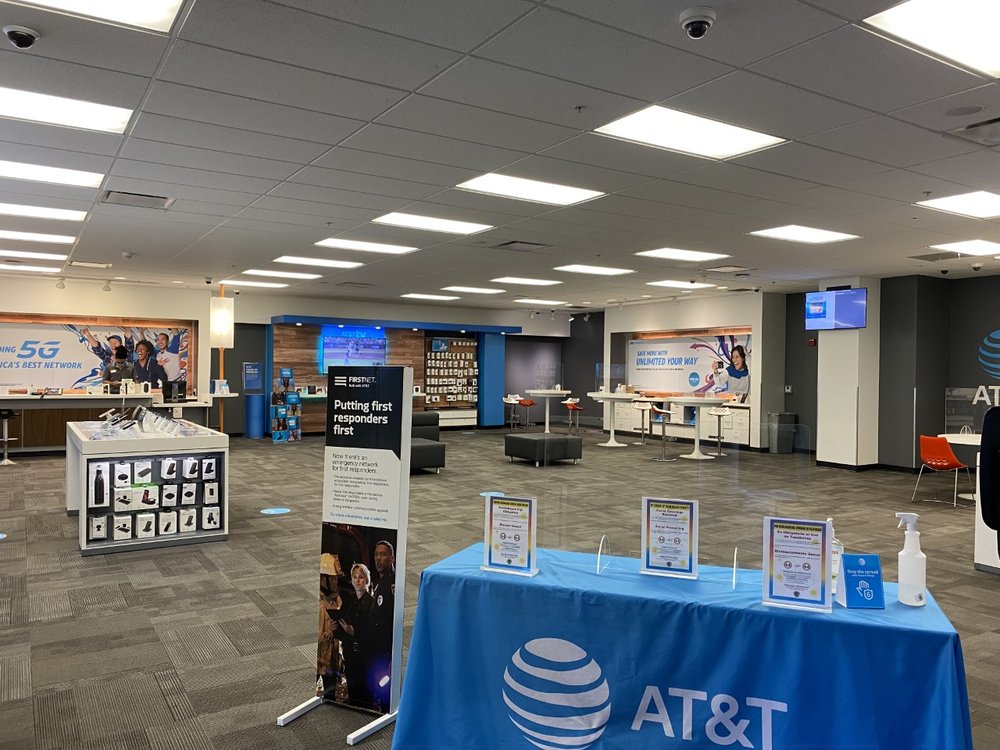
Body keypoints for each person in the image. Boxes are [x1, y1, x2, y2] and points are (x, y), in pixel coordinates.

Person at [335, 563, 375, 709]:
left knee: (364, 685)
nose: (357, 580)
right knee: (352, 682)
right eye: (355, 577)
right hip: (349, 649)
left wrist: (354, 631)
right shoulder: (348, 600)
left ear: (367, 580)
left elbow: (374, 630)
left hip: (364, 652)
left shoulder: (372, 602)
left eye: (361, 577)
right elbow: (343, 622)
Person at [368, 540, 395, 711]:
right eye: (377, 554)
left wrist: (392, 657)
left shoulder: (392, 583)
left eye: (383, 554)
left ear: (392, 558)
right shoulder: (380, 581)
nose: (379, 558)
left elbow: (392, 620)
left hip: (386, 651)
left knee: (385, 691)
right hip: (377, 648)